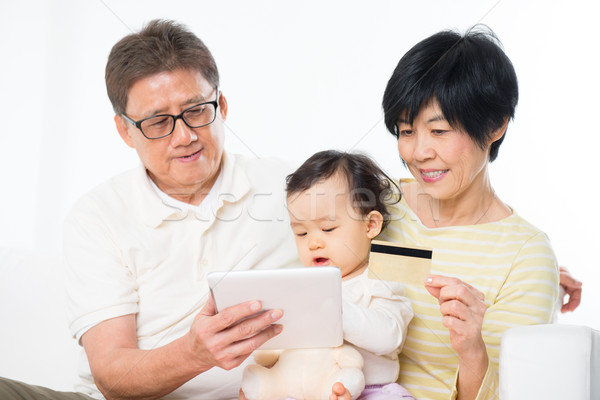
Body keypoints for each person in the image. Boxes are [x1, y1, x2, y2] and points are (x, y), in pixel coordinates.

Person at [0, 19, 344, 400]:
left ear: (222, 105)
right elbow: (111, 375)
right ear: (125, 131)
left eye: (196, 110)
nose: (185, 137)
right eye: (159, 122)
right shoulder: (95, 217)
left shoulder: (287, 187)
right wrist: (192, 354)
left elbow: (375, 241)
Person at [376, 26, 560, 399]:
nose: (419, 152)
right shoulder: (376, 203)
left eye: (439, 131)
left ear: (495, 126)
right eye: (406, 131)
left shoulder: (527, 257)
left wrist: (472, 351)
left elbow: (517, 392)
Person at [284, 150, 414, 399]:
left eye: (328, 228)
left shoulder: (379, 280)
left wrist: (336, 312)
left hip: (373, 391)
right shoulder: (304, 286)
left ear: (370, 225)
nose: (313, 243)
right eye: (301, 233)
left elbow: (390, 337)